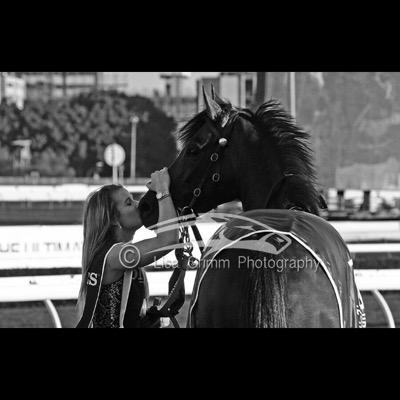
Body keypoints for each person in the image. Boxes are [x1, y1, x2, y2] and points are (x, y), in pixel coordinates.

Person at [76, 167, 179, 328]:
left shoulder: (114, 253)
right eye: (129, 203)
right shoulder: (116, 256)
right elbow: (169, 240)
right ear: (113, 220)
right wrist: (163, 191)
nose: (138, 204)